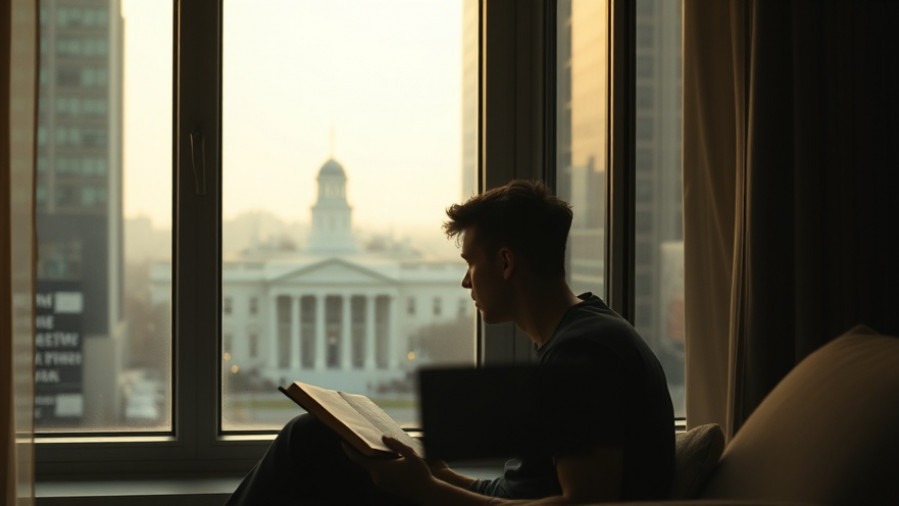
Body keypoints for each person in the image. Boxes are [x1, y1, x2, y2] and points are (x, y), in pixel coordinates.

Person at [227, 180, 674, 505]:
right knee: (324, 443)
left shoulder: (585, 353)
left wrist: (429, 491)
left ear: (504, 263)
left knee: (309, 440)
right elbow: (524, 491)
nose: (464, 282)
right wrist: (443, 476)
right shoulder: (584, 334)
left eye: (469, 263)